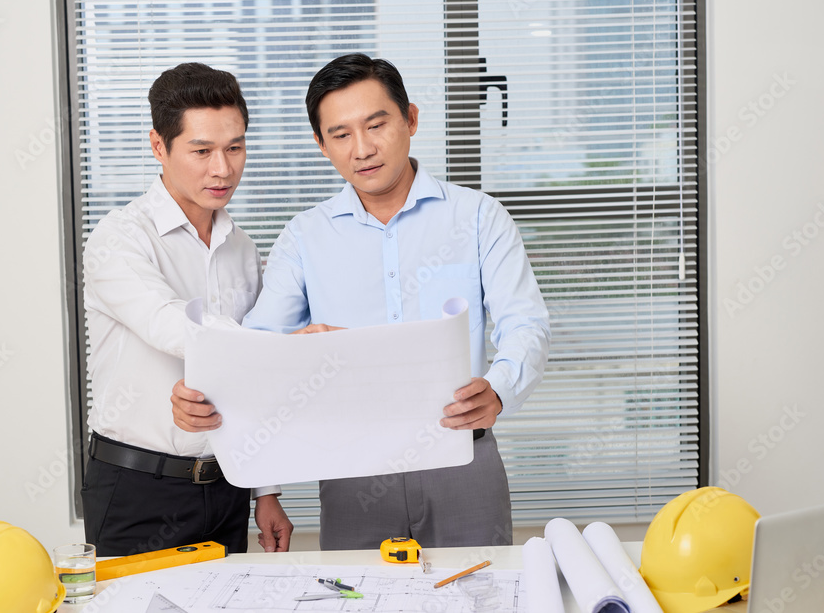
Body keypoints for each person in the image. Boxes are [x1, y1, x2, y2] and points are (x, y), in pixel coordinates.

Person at [172, 54, 550, 550]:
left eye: (377, 124)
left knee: (480, 598)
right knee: (356, 600)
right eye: (341, 134)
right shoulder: (305, 237)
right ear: (321, 144)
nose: (364, 149)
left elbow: (526, 325)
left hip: (463, 460)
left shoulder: (479, 218)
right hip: (351, 470)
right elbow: (258, 346)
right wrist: (227, 379)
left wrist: (498, 389)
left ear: (410, 119)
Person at [81, 62, 292, 557]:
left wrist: (267, 491)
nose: (222, 168)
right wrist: (279, 350)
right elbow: (168, 321)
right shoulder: (119, 237)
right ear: (160, 146)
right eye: (202, 151)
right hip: (138, 487)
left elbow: (248, 384)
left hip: (227, 486)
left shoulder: (241, 247)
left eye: (235, 147)